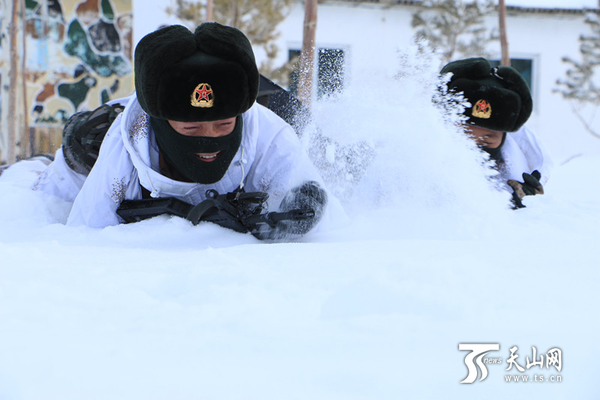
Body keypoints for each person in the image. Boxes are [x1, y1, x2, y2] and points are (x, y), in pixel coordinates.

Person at [32, 22, 328, 237]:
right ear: (162, 124)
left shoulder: (267, 131)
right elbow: (83, 242)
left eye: (223, 124)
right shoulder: (119, 154)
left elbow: (310, 199)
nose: (210, 137)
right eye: (191, 127)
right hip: (74, 170)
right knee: (78, 147)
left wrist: (303, 209)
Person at [440, 57, 552, 208]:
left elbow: (541, 160)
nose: (476, 146)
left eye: (488, 140)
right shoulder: (435, 151)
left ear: (505, 136)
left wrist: (528, 188)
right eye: (466, 136)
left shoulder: (512, 163)